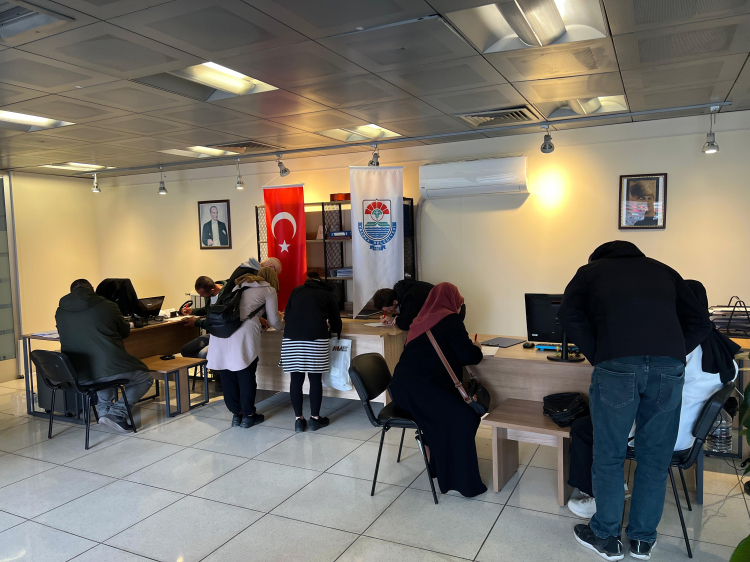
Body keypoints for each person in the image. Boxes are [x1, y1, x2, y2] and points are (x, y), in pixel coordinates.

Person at [558, 241, 712, 561]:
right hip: (668, 368)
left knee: (609, 455)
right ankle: (642, 541)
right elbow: (700, 322)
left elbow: (568, 315)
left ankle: (607, 537)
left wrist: (599, 354)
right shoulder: (665, 271)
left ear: (598, 257)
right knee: (655, 458)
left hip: (616, 367)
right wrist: (671, 352)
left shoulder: (590, 272)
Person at [568, 279, 738, 521]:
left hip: (661, 435)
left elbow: (647, 394)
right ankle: (619, 496)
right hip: (691, 437)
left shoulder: (677, 350)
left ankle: (599, 497)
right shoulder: (721, 350)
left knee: (586, 427)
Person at [389, 282, 485, 497]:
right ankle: (459, 481)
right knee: (465, 417)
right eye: (459, 303)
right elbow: (468, 356)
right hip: (422, 390)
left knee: (458, 414)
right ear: (453, 301)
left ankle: (435, 455)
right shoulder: (450, 319)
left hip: (401, 390)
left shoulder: (420, 320)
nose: (459, 307)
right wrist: (477, 348)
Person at [55, 279, 155, 434]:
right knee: (145, 378)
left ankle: (103, 412)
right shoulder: (107, 305)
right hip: (107, 367)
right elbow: (124, 332)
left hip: (77, 373)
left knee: (102, 373)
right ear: (92, 289)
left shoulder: (60, 310)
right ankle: (117, 413)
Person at [206, 267, 284, 428]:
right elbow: (274, 321)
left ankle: (237, 414)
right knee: (246, 374)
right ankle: (248, 415)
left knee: (227, 374)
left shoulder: (238, 285)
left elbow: (240, 308)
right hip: (244, 332)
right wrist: (284, 324)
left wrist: (258, 317)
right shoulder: (268, 290)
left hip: (222, 330)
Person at [280, 272, 342, 432]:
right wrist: (333, 327)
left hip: (292, 338)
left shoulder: (296, 290)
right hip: (316, 339)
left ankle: (298, 420)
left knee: (296, 379)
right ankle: (315, 419)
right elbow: (336, 321)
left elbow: (287, 315)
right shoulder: (327, 293)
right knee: (315, 379)